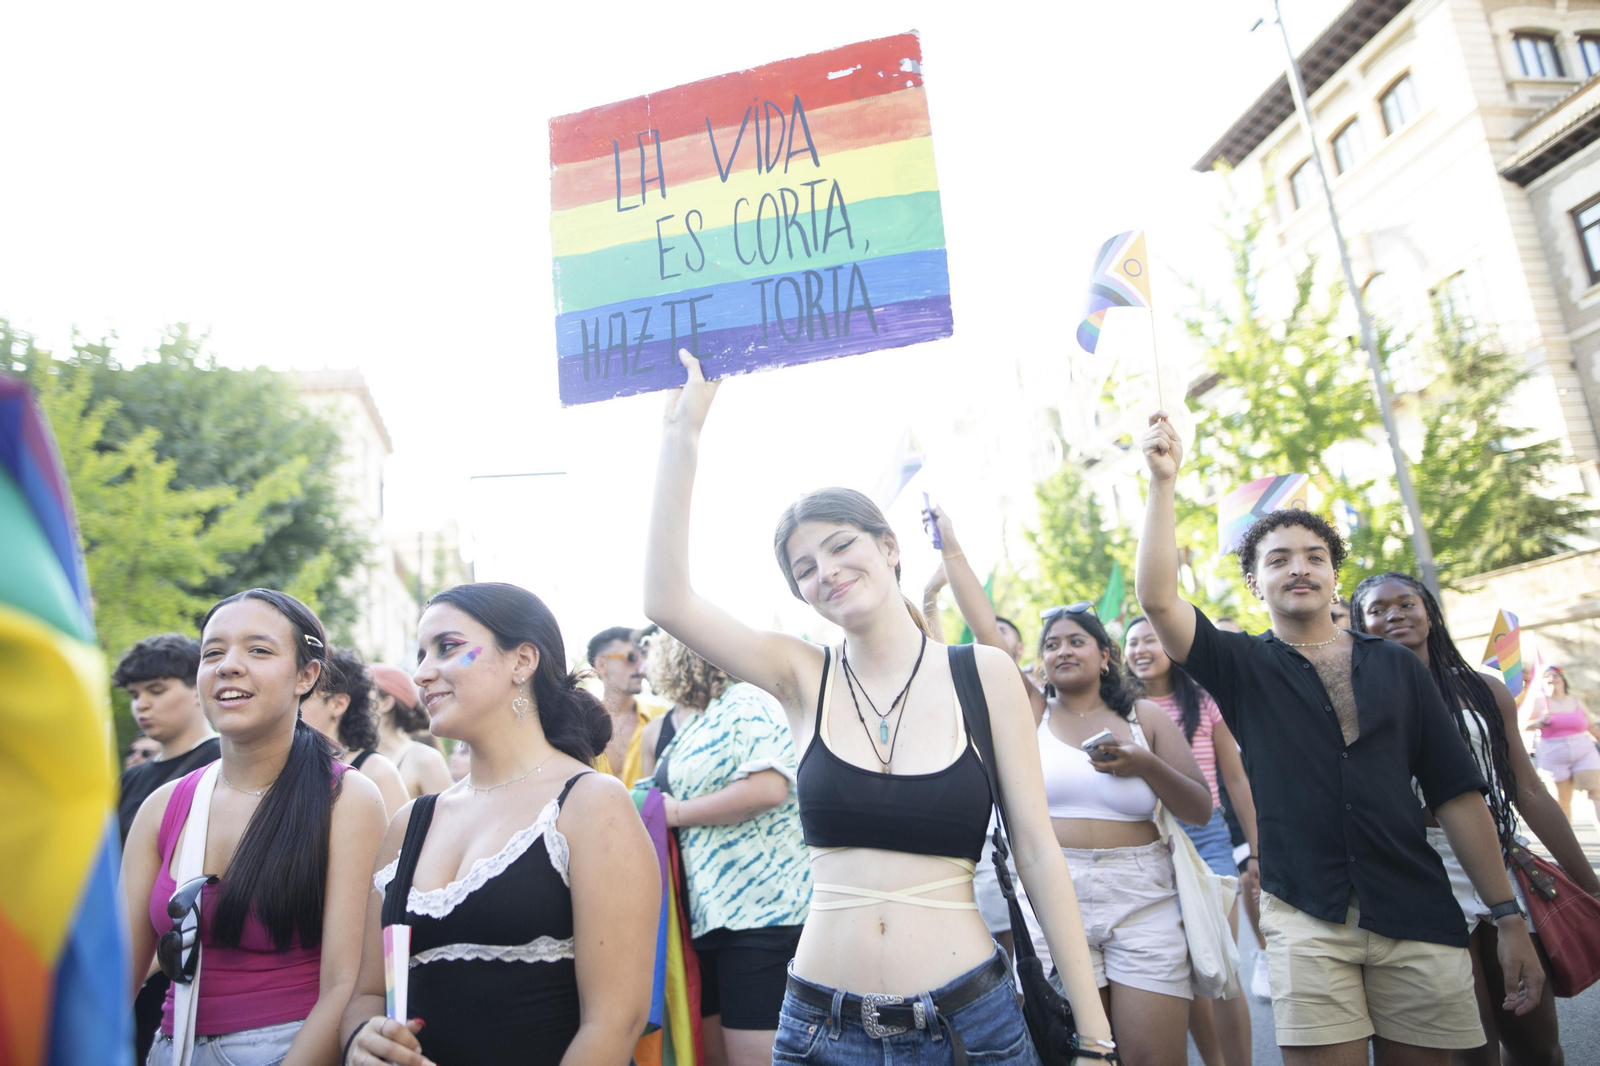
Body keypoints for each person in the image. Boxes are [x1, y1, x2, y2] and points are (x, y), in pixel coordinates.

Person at [644, 350, 1117, 1064]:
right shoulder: (801, 675)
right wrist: (682, 438)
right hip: (819, 1031)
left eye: (840, 547)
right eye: (805, 568)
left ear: (890, 548)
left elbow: (1038, 853)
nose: (827, 571)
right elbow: (665, 601)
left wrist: (1096, 1035)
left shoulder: (982, 674)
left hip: (971, 1027)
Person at [1134, 411, 1545, 1065]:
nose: (1299, 568)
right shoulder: (1240, 665)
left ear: (1333, 577)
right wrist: (1163, 483)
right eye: (1278, 560)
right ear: (1254, 582)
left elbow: (1456, 794)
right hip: (1305, 919)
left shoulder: (1397, 667)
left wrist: (1507, 917)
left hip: (1415, 913)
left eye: (1315, 557)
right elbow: (1158, 599)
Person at [340, 582, 658, 1065]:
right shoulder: (410, 822)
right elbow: (365, 992)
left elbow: (615, 1022)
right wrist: (363, 1038)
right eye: (420, 654)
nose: (423, 673)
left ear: (522, 660)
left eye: (447, 648)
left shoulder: (590, 803)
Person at [121, 590, 388, 1065]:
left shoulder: (348, 799)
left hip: (287, 1048)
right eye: (213, 653)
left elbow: (346, 984)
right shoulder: (162, 806)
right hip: (168, 1047)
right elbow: (117, 971)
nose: (228, 666)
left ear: (306, 676)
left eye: (258, 650)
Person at [1355, 573, 1600, 1066]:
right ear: (1360, 627)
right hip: (1421, 873)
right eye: (1377, 610)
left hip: (1499, 860)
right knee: (1473, 1046)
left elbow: (1529, 790)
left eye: (1407, 603)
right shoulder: (1354, 703)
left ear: (1430, 613)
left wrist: (1589, 885)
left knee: (1536, 1043)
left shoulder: (1484, 690)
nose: (1394, 614)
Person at [646, 630, 812, 1066]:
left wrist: (676, 812)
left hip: (763, 911)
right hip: (711, 917)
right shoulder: (696, 722)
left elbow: (768, 788)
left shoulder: (748, 701)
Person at [1125, 616, 1259, 1066]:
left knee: (1219, 964)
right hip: (1149, 841)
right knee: (1185, 969)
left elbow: (1236, 781)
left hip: (1208, 837)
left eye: (1151, 639)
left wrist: (1257, 851)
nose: (1141, 648)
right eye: (1132, 642)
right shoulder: (1119, 708)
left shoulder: (1205, 701)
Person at [114, 633, 222, 1066]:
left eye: (157, 691)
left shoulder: (218, 765)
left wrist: (143, 969)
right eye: (135, 694)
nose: (142, 704)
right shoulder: (132, 780)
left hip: (181, 978)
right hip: (125, 971)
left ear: (198, 687)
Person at [300, 647, 409, 816]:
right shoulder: (290, 763)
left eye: (305, 696)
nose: (294, 705)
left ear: (338, 704)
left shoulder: (378, 771)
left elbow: (403, 841)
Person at [588, 625, 667, 784]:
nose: (641, 667)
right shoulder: (579, 725)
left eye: (643, 656)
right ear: (601, 664)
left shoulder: (663, 717)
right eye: (631, 657)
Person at [1525, 665, 1600, 831]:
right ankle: (1569, 840)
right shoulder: (1539, 702)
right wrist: (1539, 722)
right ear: (1543, 683)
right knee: (1561, 800)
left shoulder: (1576, 700)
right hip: (1553, 753)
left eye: (1556, 676)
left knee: (1595, 791)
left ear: (1563, 681)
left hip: (1584, 750)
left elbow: (1592, 726)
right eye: (1548, 677)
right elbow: (1523, 725)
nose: (1552, 679)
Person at [370, 663, 454, 799]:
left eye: (364, 692)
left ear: (386, 703)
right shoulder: (353, 756)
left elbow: (448, 817)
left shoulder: (425, 759)